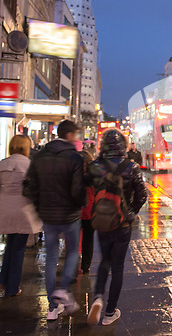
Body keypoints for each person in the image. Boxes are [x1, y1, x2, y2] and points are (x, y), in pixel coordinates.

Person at [24, 120, 86, 320]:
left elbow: (31, 185)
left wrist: (38, 207)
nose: (77, 139)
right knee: (72, 253)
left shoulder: (40, 155)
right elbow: (77, 189)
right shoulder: (74, 158)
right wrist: (81, 204)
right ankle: (62, 290)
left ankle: (52, 307)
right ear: (69, 135)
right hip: (69, 215)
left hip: (48, 215)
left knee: (51, 258)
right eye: (76, 135)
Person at [86, 129, 148, 326]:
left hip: (102, 220)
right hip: (122, 223)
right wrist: (131, 212)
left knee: (105, 260)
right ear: (123, 145)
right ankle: (110, 312)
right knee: (118, 266)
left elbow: (86, 187)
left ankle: (97, 297)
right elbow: (143, 195)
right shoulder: (131, 167)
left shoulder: (95, 166)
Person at [0, 135, 42, 297]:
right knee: (18, 249)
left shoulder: (3, 163)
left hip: (6, 211)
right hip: (23, 211)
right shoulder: (30, 165)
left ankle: (3, 279)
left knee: (10, 246)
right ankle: (12, 287)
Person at [80, 150, 95, 274]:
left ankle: (74, 266)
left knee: (74, 240)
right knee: (88, 240)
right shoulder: (94, 174)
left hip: (76, 210)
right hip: (90, 211)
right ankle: (86, 266)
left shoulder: (74, 173)